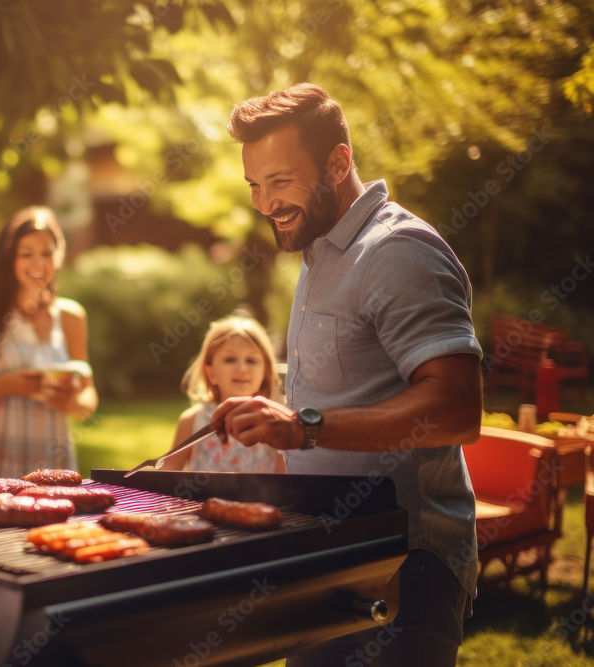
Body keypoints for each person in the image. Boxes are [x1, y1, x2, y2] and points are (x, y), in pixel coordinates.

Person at [213, 83, 483, 666]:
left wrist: (305, 427)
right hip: (325, 554)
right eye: (254, 186)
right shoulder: (318, 250)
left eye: (280, 181)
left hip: (401, 567)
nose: (264, 204)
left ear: (339, 163)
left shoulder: (397, 251)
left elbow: (458, 408)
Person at [0, 206, 98, 478]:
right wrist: (8, 384)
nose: (39, 264)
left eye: (47, 254)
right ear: (8, 258)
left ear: (58, 257)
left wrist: (72, 402)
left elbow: (88, 395)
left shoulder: (71, 315)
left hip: (53, 463)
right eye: (27, 254)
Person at [160, 314, 285, 473]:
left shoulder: (276, 423)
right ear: (211, 373)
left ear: (265, 372)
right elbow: (166, 476)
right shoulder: (192, 421)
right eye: (230, 359)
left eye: (251, 360)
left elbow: (285, 486)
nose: (242, 369)